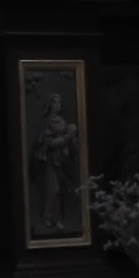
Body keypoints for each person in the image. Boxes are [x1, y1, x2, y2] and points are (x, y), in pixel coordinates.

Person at [30, 92, 79, 234]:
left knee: (60, 190)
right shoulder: (47, 122)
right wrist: (67, 137)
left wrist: (72, 140)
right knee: (53, 189)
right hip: (50, 160)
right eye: (55, 102)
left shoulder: (62, 121)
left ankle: (56, 218)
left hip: (62, 161)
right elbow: (49, 143)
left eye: (59, 103)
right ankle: (46, 216)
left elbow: (69, 141)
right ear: (50, 105)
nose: (58, 105)